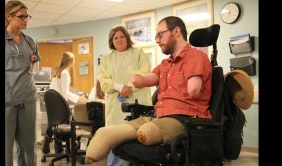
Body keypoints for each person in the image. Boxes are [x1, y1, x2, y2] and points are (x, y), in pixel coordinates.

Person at [85, 16, 212, 163]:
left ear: (176, 31)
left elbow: (194, 90)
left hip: (185, 119)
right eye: (156, 36)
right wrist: (138, 80)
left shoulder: (196, 56)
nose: (157, 40)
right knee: (104, 132)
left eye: (160, 35)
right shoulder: (165, 64)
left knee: (146, 132)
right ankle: (103, 140)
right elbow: (148, 78)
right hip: (159, 116)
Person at [95, 25, 152, 166]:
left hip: (138, 104)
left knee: (139, 138)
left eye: (122, 37)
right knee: (116, 140)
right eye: (115, 38)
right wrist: (119, 87)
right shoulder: (107, 59)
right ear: (111, 41)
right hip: (116, 108)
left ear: (127, 38)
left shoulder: (139, 53)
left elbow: (144, 73)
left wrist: (129, 87)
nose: (119, 40)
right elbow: (103, 81)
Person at [5, 0, 41, 166]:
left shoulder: (30, 41)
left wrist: (32, 61)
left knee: (28, 146)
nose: (26, 19)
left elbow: (32, 65)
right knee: (6, 147)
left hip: (27, 98)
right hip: (7, 100)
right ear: (9, 17)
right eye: (21, 16)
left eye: (27, 16)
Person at [42, 52, 87, 154]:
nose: (74, 63)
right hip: (60, 106)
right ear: (70, 61)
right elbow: (64, 92)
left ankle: (53, 148)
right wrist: (78, 98)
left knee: (53, 124)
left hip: (53, 106)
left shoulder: (57, 72)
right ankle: (69, 149)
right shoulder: (65, 73)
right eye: (74, 60)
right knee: (69, 120)